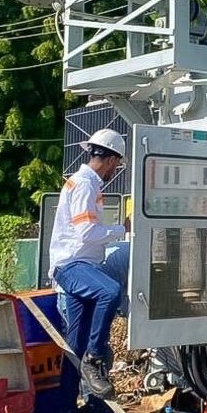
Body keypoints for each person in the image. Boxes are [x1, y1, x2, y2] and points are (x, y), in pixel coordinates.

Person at [49, 128, 127, 398]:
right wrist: (123, 229)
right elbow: (86, 233)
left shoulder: (83, 182)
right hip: (73, 266)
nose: (115, 171)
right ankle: (94, 358)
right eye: (116, 165)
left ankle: (67, 410)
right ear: (110, 159)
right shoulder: (86, 184)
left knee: (76, 344)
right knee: (110, 291)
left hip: (77, 266)